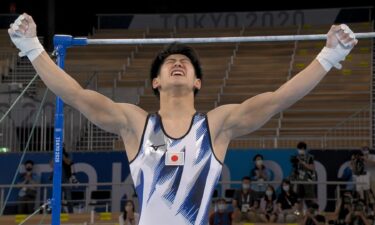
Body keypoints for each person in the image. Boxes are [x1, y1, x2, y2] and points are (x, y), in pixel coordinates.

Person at [8, 13, 357, 224]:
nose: (178, 63)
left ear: (197, 82)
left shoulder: (217, 125)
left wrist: (330, 55)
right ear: (156, 82)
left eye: (185, 63)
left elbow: (279, 99)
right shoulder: (136, 124)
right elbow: (76, 96)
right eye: (169, 62)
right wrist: (32, 48)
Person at [290, 142, 317, 207]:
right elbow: (294, 168)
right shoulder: (296, 157)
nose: (299, 150)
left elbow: (312, 167)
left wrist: (302, 162)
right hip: (299, 181)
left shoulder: (310, 157)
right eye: (298, 149)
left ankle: (313, 213)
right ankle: (300, 214)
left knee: (310, 199)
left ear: (304, 149)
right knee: (299, 199)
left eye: (300, 149)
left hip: (308, 180)